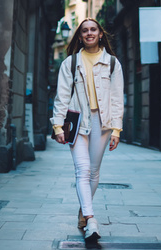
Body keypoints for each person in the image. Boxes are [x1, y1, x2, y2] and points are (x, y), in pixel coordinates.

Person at [50, 18, 124, 244]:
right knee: (82, 170)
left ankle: (83, 212)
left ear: (100, 34)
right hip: (77, 121)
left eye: (93, 29)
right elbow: (62, 96)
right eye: (85, 31)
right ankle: (91, 220)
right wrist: (57, 125)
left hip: (102, 123)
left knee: (93, 171)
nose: (89, 33)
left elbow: (116, 99)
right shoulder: (70, 63)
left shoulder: (112, 63)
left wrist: (116, 130)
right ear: (80, 36)